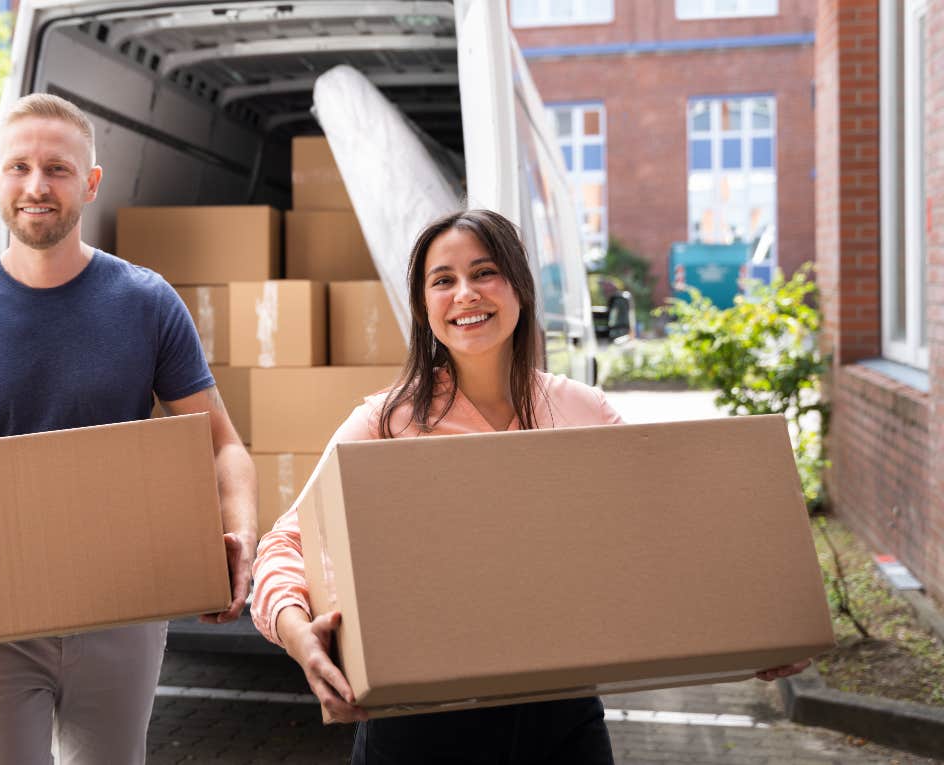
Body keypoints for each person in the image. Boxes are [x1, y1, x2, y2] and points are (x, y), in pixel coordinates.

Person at [250, 209, 808, 764]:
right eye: (443, 280)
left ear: (519, 286)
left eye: (484, 272)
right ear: (424, 309)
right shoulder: (385, 422)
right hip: (417, 722)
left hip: (560, 716)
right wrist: (301, 638)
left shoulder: (580, 411)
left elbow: (664, 539)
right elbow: (286, 543)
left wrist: (756, 627)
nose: (465, 293)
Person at [0, 92, 257, 764]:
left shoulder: (147, 304)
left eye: (58, 169)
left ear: (90, 182)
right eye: (19, 167)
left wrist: (240, 534)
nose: (37, 186)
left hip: (123, 605)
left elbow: (224, 446)